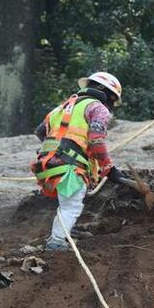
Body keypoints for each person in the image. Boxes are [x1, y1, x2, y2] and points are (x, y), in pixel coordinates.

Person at [32, 71, 134, 251]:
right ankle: (56, 242)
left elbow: (40, 131)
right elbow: (96, 140)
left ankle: (64, 233)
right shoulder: (98, 108)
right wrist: (108, 168)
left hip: (46, 166)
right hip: (70, 167)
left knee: (67, 204)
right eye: (112, 100)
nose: (111, 106)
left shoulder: (61, 108)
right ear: (106, 94)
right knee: (71, 206)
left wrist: (56, 148)